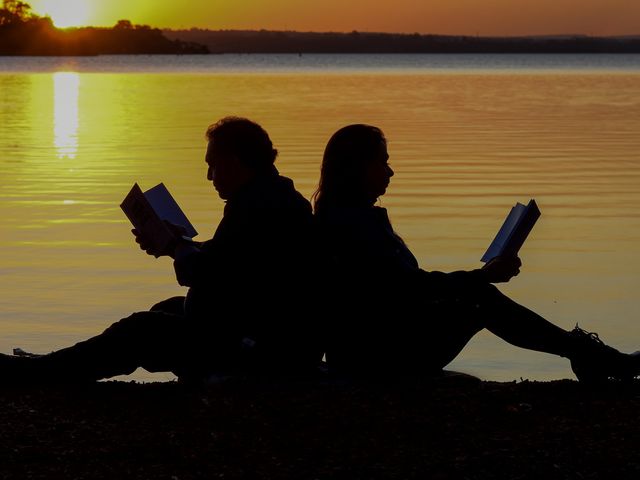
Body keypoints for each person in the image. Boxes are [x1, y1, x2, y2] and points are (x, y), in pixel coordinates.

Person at [1, 116, 323, 384]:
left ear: (235, 162)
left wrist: (174, 246)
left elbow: (207, 273)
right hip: (258, 334)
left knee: (142, 327)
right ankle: (55, 363)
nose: (208, 177)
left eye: (213, 166)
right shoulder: (271, 198)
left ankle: (42, 372)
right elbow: (233, 262)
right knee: (168, 308)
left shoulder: (260, 205)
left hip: (261, 351)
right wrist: (179, 244)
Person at [313, 124, 640, 383]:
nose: (391, 171)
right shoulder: (351, 223)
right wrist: (483, 276)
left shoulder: (348, 216)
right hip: (376, 357)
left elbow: (402, 291)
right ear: (356, 167)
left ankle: (585, 353)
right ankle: (591, 355)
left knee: (479, 296)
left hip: (368, 347)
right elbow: (408, 288)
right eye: (382, 161)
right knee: (481, 298)